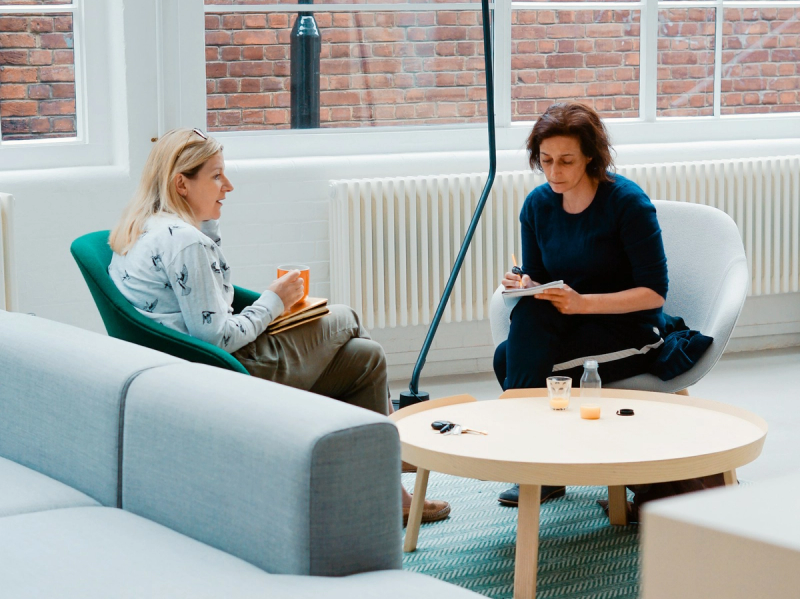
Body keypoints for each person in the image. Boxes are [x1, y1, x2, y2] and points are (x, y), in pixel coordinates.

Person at [108, 128, 450, 525]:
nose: (228, 186)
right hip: (229, 372)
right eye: (217, 176)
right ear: (181, 183)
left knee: (366, 358)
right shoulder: (187, 243)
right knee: (347, 316)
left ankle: (387, 492)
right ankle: (396, 450)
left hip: (193, 368)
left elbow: (207, 306)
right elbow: (215, 336)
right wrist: (274, 300)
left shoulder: (151, 228)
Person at [493, 103, 721, 513]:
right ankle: (544, 460)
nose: (554, 172)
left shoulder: (626, 203)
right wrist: (524, 284)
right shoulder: (538, 206)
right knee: (508, 351)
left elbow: (654, 293)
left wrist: (582, 304)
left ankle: (535, 460)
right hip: (573, 325)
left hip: (631, 329)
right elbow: (541, 278)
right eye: (545, 161)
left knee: (515, 361)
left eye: (566, 161)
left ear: (591, 157)